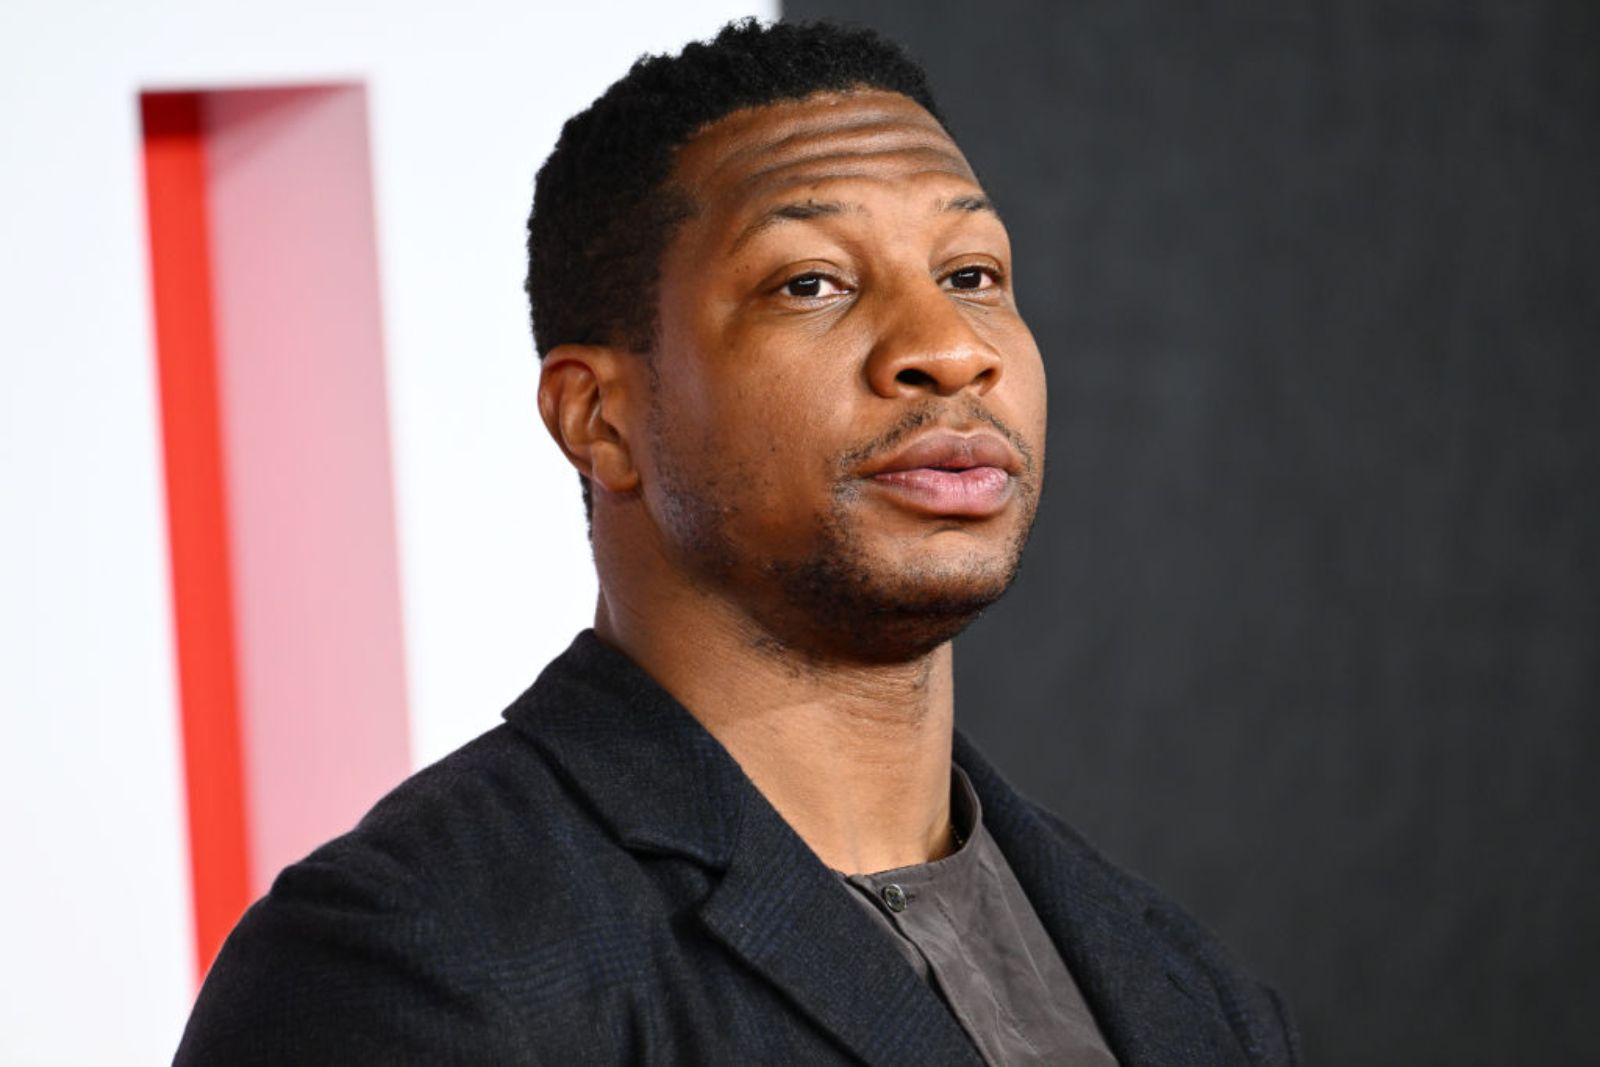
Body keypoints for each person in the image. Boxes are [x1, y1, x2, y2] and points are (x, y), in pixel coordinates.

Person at [176, 19, 1298, 1065]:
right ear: (600, 419)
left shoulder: (1182, 981)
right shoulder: (412, 965)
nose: (949, 348)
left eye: (971, 275)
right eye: (809, 283)